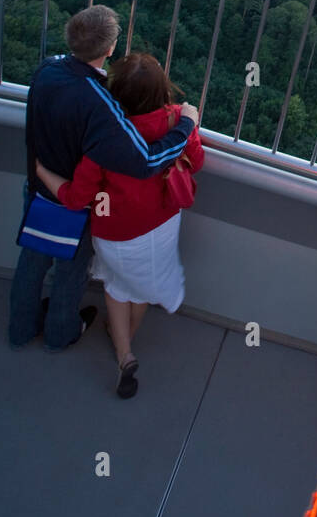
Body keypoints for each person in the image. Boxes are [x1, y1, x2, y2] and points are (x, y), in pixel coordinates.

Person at [9, 5, 198, 355]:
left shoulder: (46, 70)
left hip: (38, 188)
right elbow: (146, 160)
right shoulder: (102, 101)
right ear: (110, 49)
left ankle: (19, 330)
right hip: (73, 198)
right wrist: (186, 124)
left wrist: (41, 171)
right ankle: (59, 334)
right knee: (70, 270)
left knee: (31, 262)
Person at [35, 51, 204, 399]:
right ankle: (122, 340)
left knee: (117, 284)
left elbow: (77, 198)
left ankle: (124, 353)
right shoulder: (176, 120)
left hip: (116, 231)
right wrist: (189, 122)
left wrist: (42, 172)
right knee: (140, 288)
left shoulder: (104, 137)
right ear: (162, 90)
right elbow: (196, 161)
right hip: (163, 221)